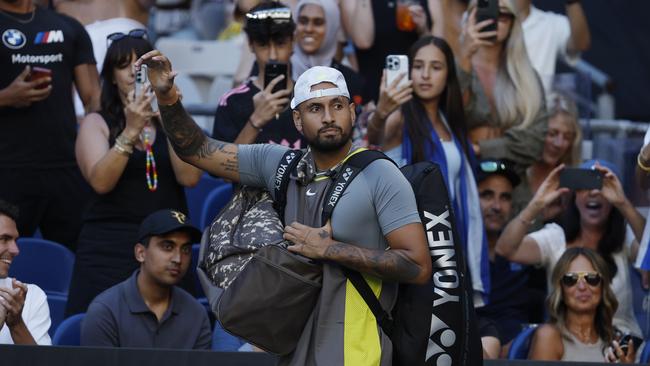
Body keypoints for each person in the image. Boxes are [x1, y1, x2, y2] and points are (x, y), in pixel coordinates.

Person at [136, 45, 432, 363]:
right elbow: (197, 149)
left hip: (357, 355)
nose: (329, 116)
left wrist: (330, 249)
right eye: (315, 108)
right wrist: (167, 98)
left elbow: (417, 266)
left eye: (337, 105)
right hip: (291, 352)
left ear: (352, 112)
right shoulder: (279, 164)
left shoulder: (380, 174)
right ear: (298, 120)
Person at [66, 34, 201, 316]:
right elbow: (101, 182)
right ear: (111, 77)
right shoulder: (97, 122)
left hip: (167, 243)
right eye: (123, 64)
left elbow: (189, 177)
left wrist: (170, 111)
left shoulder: (172, 118)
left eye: (142, 65)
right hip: (109, 245)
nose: (133, 72)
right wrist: (131, 130)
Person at [367, 35, 489, 307]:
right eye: (418, 66)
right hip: (416, 241)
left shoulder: (451, 122)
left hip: (453, 240)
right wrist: (381, 112)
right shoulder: (399, 116)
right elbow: (374, 139)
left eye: (435, 67)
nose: (425, 74)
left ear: (448, 75)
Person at [496, 160, 645, 338]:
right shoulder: (555, 237)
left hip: (619, 342)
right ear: (574, 195)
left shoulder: (625, 237)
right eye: (584, 185)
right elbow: (505, 249)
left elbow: (648, 247)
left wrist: (623, 203)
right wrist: (537, 203)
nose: (594, 192)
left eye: (602, 185)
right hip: (564, 343)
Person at [0, 0, 100, 252]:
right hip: (7, 169)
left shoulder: (68, 27)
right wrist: (7, 97)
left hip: (65, 167)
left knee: (78, 256)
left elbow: (93, 99)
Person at [81, 209, 211, 349]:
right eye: (168, 247)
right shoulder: (106, 311)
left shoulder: (196, 314)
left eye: (185, 250)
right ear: (140, 253)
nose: (178, 259)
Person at [457, 0, 546, 173]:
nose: (494, 20)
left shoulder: (527, 77)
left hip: (513, 185)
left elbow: (533, 143)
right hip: (461, 180)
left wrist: (479, 148)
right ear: (469, 18)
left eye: (503, 15)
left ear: (513, 23)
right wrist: (465, 56)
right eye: (485, 11)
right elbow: (448, 120)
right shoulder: (451, 68)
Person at [212, 2, 304, 149]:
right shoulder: (231, 102)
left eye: (280, 44)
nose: (273, 55)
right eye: (263, 45)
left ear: (293, 42)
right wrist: (255, 121)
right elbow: (221, 168)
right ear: (250, 44)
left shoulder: (308, 97)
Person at [528, 247, 635, 363]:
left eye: (591, 278)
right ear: (561, 288)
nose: (582, 287)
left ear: (603, 286)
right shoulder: (548, 337)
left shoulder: (617, 342)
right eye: (571, 279)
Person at [511, 91, 582, 226]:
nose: (559, 143)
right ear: (535, 132)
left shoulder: (572, 181)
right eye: (552, 133)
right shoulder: (514, 173)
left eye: (567, 137)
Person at [340, 0, 432, 103]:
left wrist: (423, 30)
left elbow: (437, 50)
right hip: (374, 84)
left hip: (418, 83)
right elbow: (363, 41)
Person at [0, 200, 51, 345]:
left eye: (15, 240)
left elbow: (42, 363)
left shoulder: (30, 296)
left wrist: (16, 324)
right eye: (4, 239)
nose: (15, 250)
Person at [291, 0, 363, 103]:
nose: (309, 29)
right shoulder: (279, 74)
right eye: (303, 21)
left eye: (318, 23)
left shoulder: (349, 81)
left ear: (332, 28)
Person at [515, 0, 591, 93]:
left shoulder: (551, 23)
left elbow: (581, 44)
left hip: (538, 105)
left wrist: (572, 2)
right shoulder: (493, 21)